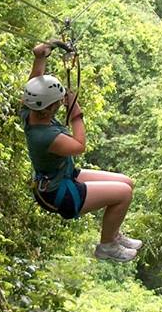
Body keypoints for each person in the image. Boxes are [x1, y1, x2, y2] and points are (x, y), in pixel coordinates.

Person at [21, 42, 141, 262]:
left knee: (127, 182)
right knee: (124, 194)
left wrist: (39, 58)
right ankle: (107, 246)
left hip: (61, 176)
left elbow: (34, 84)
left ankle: (113, 234)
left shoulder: (31, 110)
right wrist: (76, 113)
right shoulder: (46, 137)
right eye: (58, 103)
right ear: (49, 109)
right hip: (59, 193)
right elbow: (79, 145)